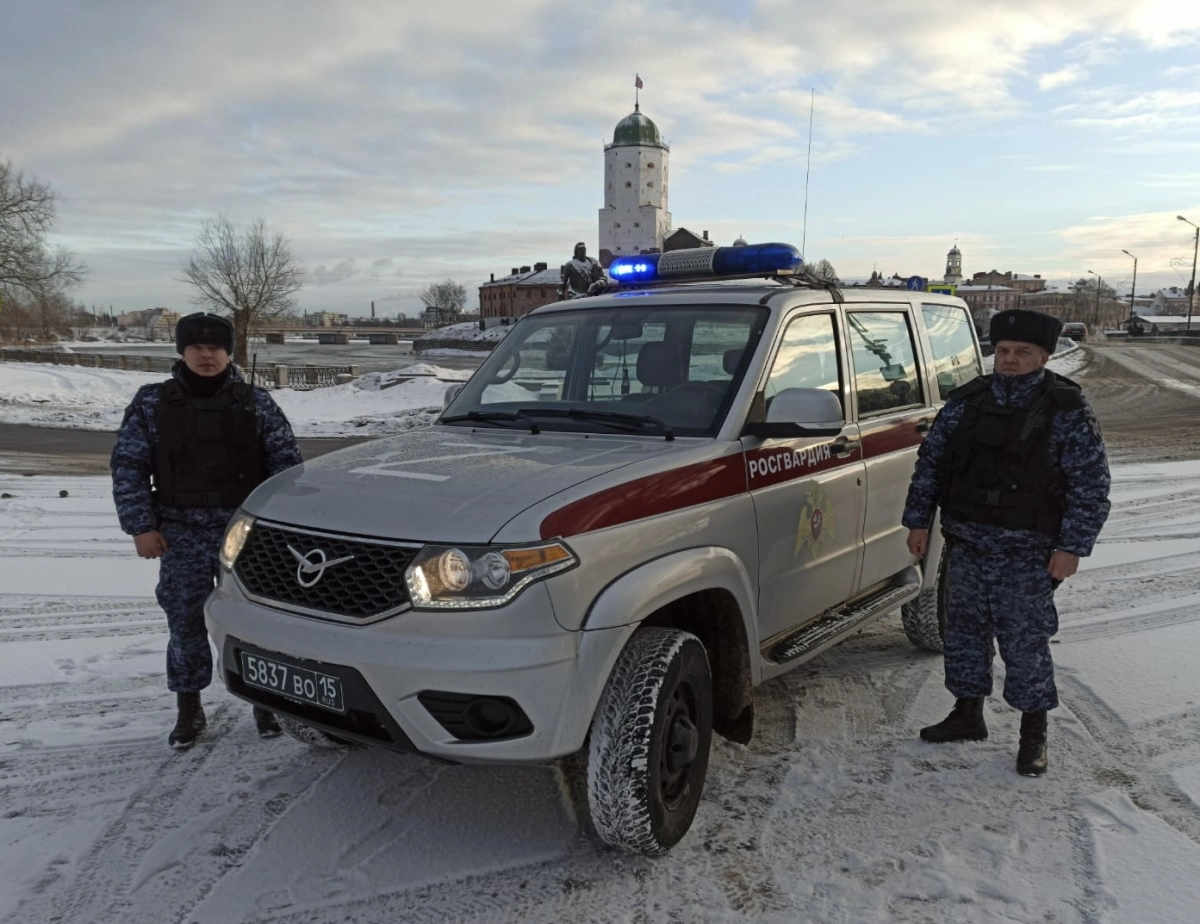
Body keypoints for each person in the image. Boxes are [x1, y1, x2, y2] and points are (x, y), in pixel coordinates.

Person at [902, 308, 1111, 776]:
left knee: (1025, 643)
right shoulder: (966, 403)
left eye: (1022, 352)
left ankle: (1032, 733)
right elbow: (931, 465)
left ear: (1043, 356)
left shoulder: (1065, 409)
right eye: (1002, 351)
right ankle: (967, 714)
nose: (1010, 360)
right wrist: (918, 521)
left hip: (1028, 551)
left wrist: (1072, 546)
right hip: (967, 544)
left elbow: (1090, 484)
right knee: (964, 635)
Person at [111, 312, 303, 750]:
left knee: (260, 623)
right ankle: (188, 706)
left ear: (228, 352)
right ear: (181, 351)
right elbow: (129, 467)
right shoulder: (151, 403)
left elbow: (286, 469)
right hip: (180, 531)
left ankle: (266, 700)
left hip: (247, 533)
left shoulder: (255, 402)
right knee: (185, 622)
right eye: (196, 347)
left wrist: (281, 531)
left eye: (215, 347)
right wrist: (141, 527)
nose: (206, 354)